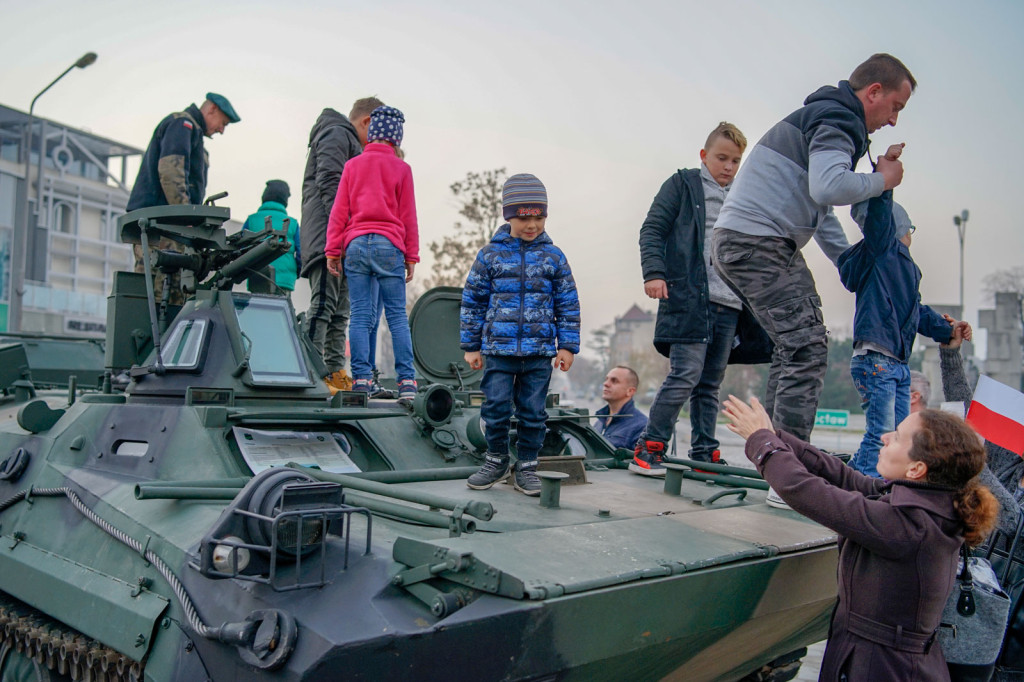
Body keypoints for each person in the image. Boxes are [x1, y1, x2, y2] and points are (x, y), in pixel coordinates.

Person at [723, 394, 998, 680]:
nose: (884, 437)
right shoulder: (931, 507)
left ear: (916, 469)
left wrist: (761, 442)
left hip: (881, 669)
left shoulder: (907, 526)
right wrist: (775, 437)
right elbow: (842, 477)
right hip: (887, 663)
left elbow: (803, 490)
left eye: (898, 437)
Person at [712, 54, 915, 441]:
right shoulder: (839, 119)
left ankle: (772, 458)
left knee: (793, 349)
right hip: (759, 242)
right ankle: (786, 469)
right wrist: (884, 181)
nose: (894, 120)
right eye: (895, 107)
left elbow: (819, 208)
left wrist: (845, 263)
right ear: (874, 92)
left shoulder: (825, 117)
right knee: (806, 348)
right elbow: (829, 187)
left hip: (743, 242)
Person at [633, 122, 747, 476]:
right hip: (689, 298)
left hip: (729, 302)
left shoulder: (742, 195)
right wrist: (654, 272)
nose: (728, 167)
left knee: (710, 384)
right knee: (685, 375)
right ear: (704, 156)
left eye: (735, 161)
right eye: (722, 158)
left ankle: (704, 454)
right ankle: (650, 446)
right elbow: (652, 228)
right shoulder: (683, 184)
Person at [461, 174, 580, 496]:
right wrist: (471, 345)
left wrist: (567, 346)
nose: (532, 224)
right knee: (496, 407)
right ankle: (496, 459)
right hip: (498, 349)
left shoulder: (554, 257)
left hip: (539, 352)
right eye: (524, 217)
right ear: (508, 216)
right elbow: (473, 300)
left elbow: (568, 302)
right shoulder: (490, 255)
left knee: (533, 412)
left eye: (539, 217)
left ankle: (527, 466)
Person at [839, 188, 956, 477]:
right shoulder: (883, 252)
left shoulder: (908, 270)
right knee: (882, 433)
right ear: (900, 228)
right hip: (876, 359)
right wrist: (883, 185)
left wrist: (947, 329)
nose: (912, 235)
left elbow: (917, 311)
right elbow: (878, 221)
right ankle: (866, 488)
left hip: (898, 365)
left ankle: (879, 481)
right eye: (910, 228)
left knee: (901, 436)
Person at [325, 106, 419, 399]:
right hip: (388, 245)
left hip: (354, 245)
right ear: (396, 139)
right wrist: (411, 255)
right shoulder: (402, 169)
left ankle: (361, 380)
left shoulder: (353, 165)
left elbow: (340, 210)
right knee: (396, 318)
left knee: (361, 315)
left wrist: (333, 250)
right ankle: (406, 382)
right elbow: (408, 215)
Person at [301, 96, 384, 393]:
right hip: (327, 237)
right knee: (323, 304)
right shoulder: (336, 134)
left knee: (340, 311)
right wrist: (344, 231)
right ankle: (309, 371)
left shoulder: (350, 143)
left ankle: (335, 374)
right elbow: (330, 182)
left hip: (346, 241)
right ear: (365, 122)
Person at [127, 93, 240, 304]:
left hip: (169, 226)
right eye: (223, 123)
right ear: (211, 109)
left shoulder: (193, 135)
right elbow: (171, 172)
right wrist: (187, 217)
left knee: (175, 295)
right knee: (161, 296)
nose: (221, 130)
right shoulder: (183, 124)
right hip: (163, 227)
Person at [242, 180, 300, 297]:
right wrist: (296, 272)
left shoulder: (252, 219)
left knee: (257, 310)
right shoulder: (292, 223)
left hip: (257, 276)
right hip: (284, 281)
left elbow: (241, 246)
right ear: (285, 200)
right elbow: (301, 253)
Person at [595, 366, 648, 450]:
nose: (606, 384)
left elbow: (641, 461)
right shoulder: (600, 420)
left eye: (614, 381)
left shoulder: (642, 427)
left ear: (630, 391)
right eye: (606, 379)